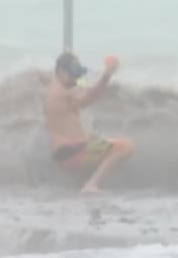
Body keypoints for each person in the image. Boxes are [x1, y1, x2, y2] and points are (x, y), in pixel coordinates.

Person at [42, 51, 134, 193]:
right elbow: (89, 97)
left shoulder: (55, 87)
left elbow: (80, 87)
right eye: (73, 73)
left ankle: (84, 183)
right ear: (61, 72)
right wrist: (107, 75)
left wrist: (85, 79)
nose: (76, 77)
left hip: (66, 152)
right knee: (124, 146)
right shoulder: (63, 93)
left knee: (95, 140)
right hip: (71, 152)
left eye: (77, 73)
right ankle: (91, 185)